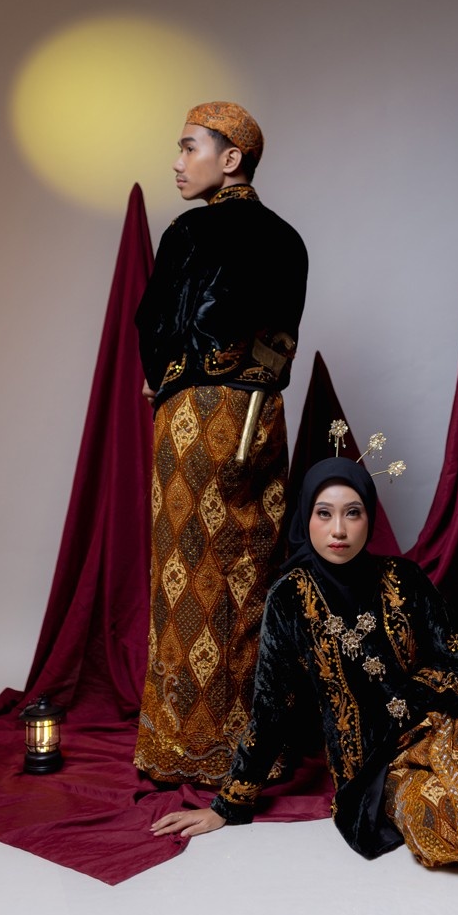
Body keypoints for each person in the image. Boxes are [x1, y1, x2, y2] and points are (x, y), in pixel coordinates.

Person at [150, 457, 458, 888]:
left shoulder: (402, 577)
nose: (338, 530)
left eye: (352, 513)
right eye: (324, 514)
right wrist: (228, 805)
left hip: (445, 716)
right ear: (306, 517)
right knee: (441, 823)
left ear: (369, 517)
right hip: (377, 766)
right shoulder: (289, 600)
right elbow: (271, 707)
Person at [133, 101, 308, 785]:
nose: (178, 163)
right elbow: (280, 338)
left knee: (186, 570)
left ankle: (185, 745)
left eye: (189, 148)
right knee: (250, 567)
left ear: (230, 158)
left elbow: (159, 320)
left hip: (197, 415)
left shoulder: (192, 230)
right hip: (263, 415)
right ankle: (256, 740)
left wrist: (163, 379)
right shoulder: (289, 239)